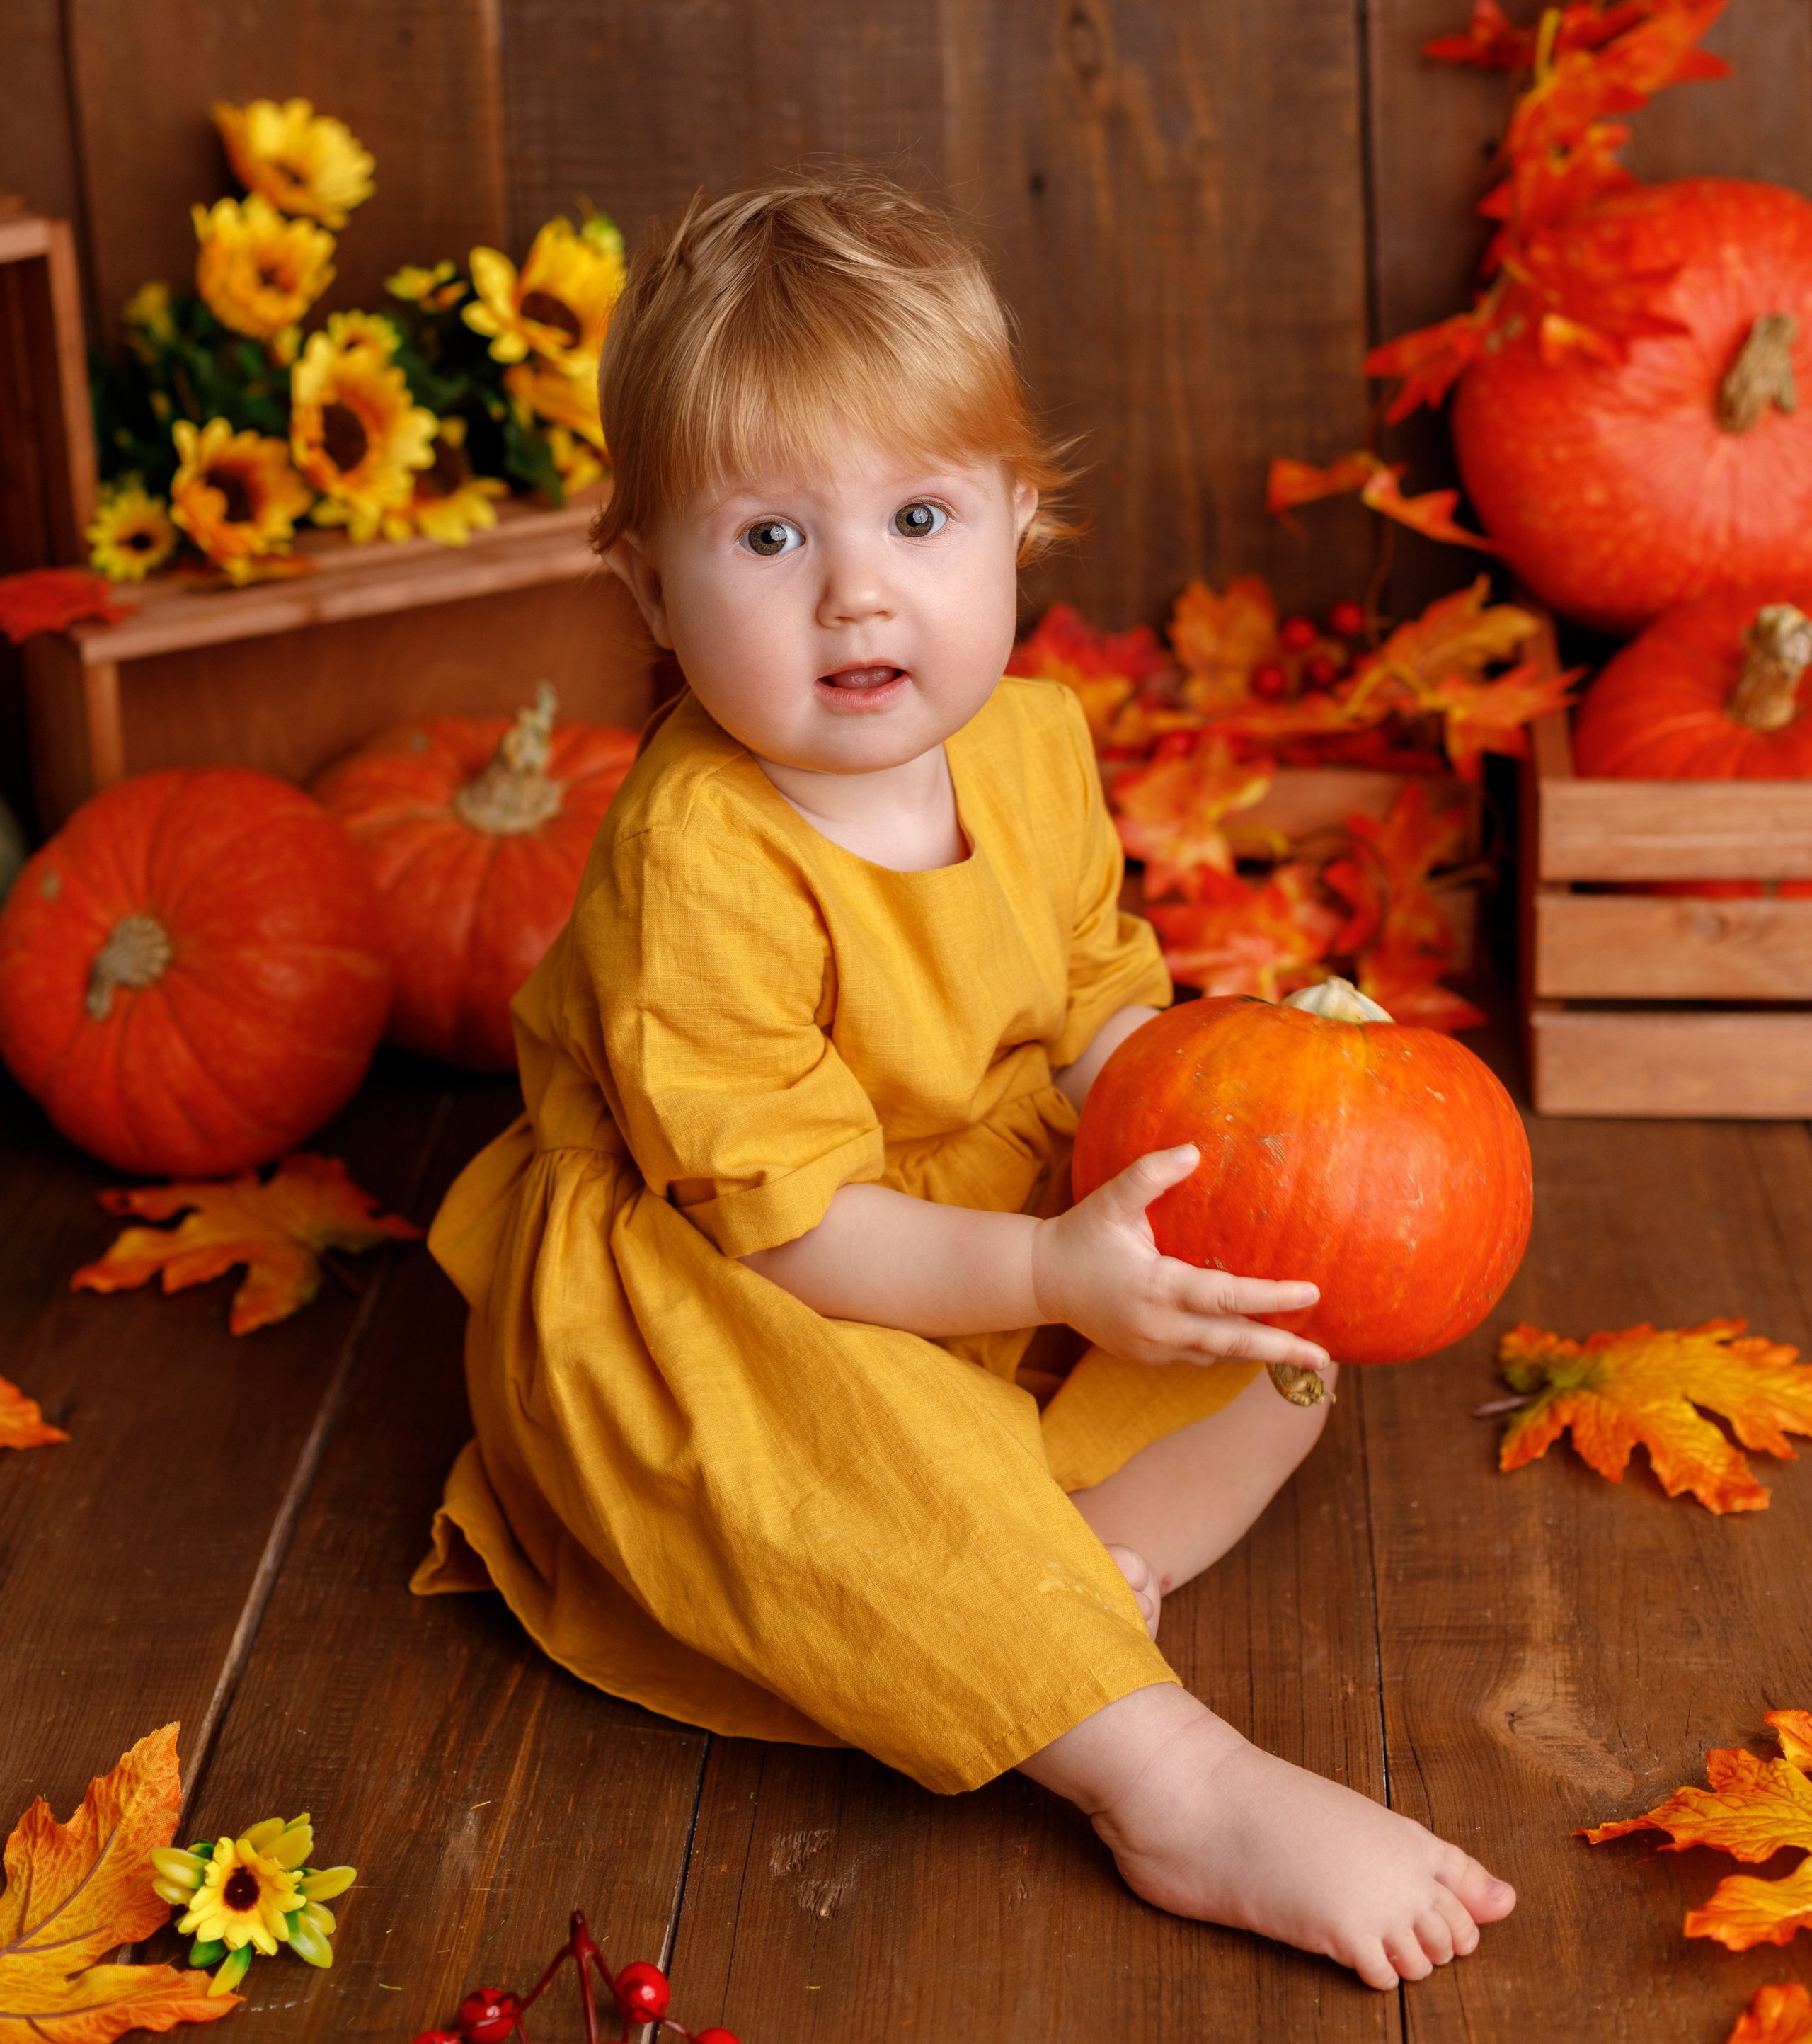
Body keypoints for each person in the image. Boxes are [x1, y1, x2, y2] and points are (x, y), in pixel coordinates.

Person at [413, 177, 1516, 1989]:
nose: (856, 589)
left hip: (1002, 1216)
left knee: (1284, 1345)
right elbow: (788, 1236)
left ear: (1015, 519)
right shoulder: (702, 853)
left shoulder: (1030, 739)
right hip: (755, 1276)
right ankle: (1168, 1778)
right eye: (766, 539)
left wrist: (1204, 1143)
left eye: (917, 514)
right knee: (831, 1455)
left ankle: (1052, 1582)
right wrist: (1051, 1279)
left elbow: (1093, 1002)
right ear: (646, 584)